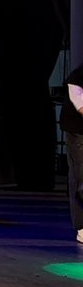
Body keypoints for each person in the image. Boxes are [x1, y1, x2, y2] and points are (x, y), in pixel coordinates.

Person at [63, 62, 83, 244]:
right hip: (77, 129)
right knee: (80, 176)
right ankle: (81, 227)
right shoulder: (78, 76)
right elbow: (80, 105)